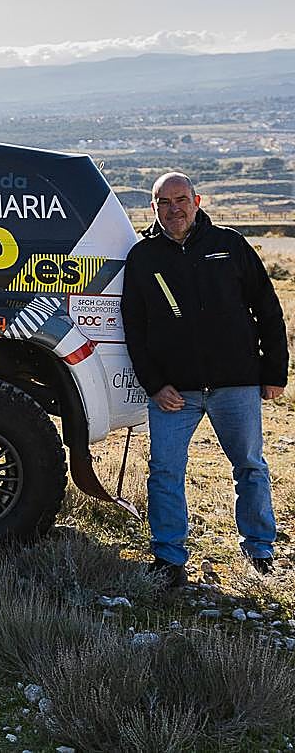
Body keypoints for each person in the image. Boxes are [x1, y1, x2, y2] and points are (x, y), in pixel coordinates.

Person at [122, 171, 286, 588]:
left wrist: (274, 372)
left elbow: (267, 309)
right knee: (164, 471)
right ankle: (169, 559)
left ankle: (260, 551)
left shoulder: (230, 246)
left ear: (198, 201)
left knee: (249, 466)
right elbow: (134, 327)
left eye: (180, 200)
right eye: (164, 202)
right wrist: (155, 384)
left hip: (236, 384)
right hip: (175, 392)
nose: (173, 209)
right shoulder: (143, 257)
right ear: (153, 207)